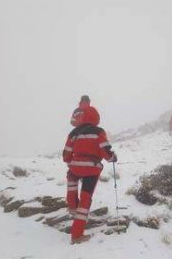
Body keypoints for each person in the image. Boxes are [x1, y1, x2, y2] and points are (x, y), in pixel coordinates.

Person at [62, 104, 117, 244]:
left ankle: (72, 207)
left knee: (72, 182)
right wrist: (112, 157)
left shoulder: (73, 133)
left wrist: (70, 161)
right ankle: (77, 235)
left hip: (75, 167)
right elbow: (105, 150)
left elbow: (66, 154)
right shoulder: (99, 131)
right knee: (85, 200)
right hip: (91, 169)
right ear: (95, 118)